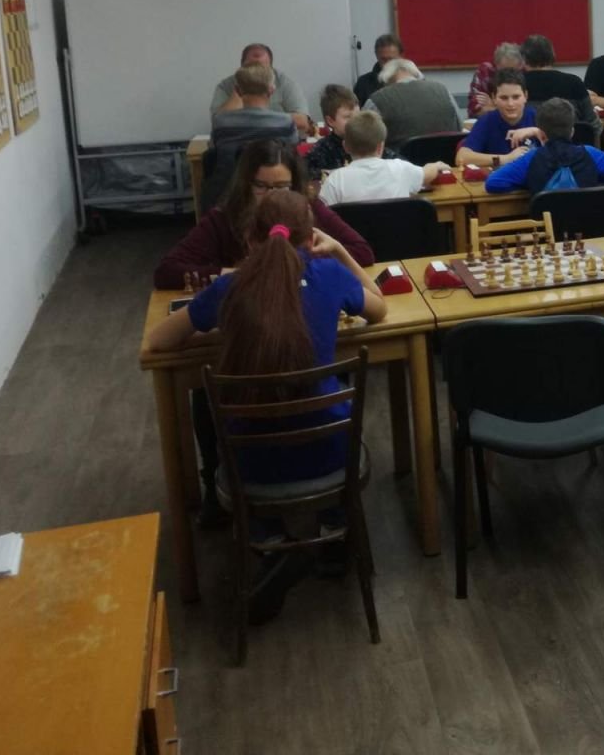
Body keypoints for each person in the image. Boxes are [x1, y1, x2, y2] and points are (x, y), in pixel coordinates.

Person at [145, 189, 387, 621]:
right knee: (329, 415)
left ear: (249, 240)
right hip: (331, 458)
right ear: (311, 238)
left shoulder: (229, 288)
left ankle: (272, 541)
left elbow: (158, 341)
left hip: (251, 468)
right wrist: (339, 253)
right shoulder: (328, 274)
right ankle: (334, 532)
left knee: (246, 433)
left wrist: (215, 330)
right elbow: (379, 309)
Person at [156, 140, 374, 289]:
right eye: (261, 186)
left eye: (281, 187)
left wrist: (298, 266)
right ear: (246, 184)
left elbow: (362, 252)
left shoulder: (309, 208)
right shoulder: (223, 218)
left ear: (295, 186)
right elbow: (167, 271)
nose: (271, 195)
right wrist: (239, 274)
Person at [484, 98, 604, 195]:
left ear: (541, 134)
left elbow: (493, 183)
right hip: (588, 230)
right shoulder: (590, 154)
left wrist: (526, 181)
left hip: (546, 231)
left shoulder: (531, 158)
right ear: (572, 131)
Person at [317, 110, 452, 205]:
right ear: (381, 146)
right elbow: (427, 174)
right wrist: (436, 166)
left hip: (352, 239)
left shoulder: (334, 181)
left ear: (345, 147)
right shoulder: (400, 169)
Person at [210, 43, 311, 133]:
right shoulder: (226, 85)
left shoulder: (284, 83)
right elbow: (217, 122)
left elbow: (302, 121)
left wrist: (260, 120)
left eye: (262, 68)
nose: (256, 72)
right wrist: (241, 88)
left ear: (271, 68)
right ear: (241, 67)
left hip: (276, 140)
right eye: (251, 67)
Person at [362, 58, 460, 146]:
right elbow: (459, 126)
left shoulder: (377, 100)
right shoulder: (443, 91)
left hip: (399, 159)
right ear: (417, 75)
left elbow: (363, 138)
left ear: (386, 80)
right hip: (447, 158)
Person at [456, 69, 539, 169]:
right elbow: (461, 158)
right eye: (504, 98)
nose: (510, 104)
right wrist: (505, 158)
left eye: (516, 97)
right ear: (494, 98)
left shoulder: (538, 118)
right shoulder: (487, 121)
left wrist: (536, 131)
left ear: (525, 96)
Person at [210, 64, 299, 150]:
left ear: (237, 91)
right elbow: (294, 154)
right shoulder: (286, 122)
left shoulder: (220, 122)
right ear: (271, 90)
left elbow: (213, 150)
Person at [518, 34, 592, 131]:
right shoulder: (574, 82)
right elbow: (593, 124)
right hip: (573, 139)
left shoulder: (516, 85)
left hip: (528, 140)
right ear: (552, 55)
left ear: (524, 59)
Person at [306, 84, 361, 178]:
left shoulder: (368, 142)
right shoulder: (321, 151)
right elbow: (309, 175)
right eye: (347, 117)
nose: (355, 121)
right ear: (330, 121)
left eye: (358, 115)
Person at [469, 42, 522, 118]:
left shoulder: (525, 73)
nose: (509, 75)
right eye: (505, 71)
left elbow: (526, 110)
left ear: (520, 66)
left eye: (513, 71)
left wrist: (494, 106)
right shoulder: (485, 71)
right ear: (496, 65)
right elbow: (473, 112)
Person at [352, 34, 401, 107]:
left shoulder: (411, 81)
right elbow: (357, 111)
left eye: (391, 59)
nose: (388, 64)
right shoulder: (363, 83)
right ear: (376, 55)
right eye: (384, 59)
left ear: (400, 56)